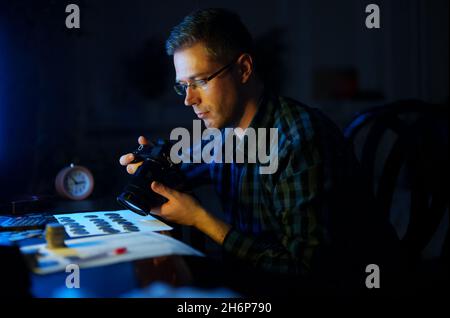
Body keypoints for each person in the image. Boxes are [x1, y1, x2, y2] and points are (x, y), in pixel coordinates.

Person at [119, 8, 400, 298]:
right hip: (255, 280)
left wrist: (200, 219)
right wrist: (150, 164)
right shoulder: (225, 133)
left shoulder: (299, 139)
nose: (190, 99)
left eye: (201, 81)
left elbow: (310, 270)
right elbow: (182, 165)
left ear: (243, 69)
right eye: (184, 87)